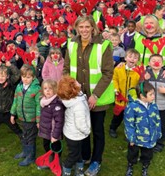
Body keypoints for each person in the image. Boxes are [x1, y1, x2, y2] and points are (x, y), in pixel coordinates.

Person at [64, 16, 114, 176]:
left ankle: (96, 161)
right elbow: (66, 68)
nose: (84, 30)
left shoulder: (103, 45)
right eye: (81, 27)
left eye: (87, 27)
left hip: (97, 98)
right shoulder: (71, 44)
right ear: (77, 28)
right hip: (77, 98)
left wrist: (95, 95)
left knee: (97, 130)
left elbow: (108, 73)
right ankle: (84, 156)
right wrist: (72, 87)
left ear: (93, 28)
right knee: (81, 128)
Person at [124, 81, 161, 176]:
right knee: (132, 154)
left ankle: (145, 167)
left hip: (150, 138)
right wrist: (131, 138)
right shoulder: (132, 107)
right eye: (151, 94)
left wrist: (158, 132)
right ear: (142, 96)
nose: (153, 96)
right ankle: (130, 165)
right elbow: (129, 123)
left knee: (147, 155)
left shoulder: (153, 106)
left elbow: (157, 120)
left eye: (153, 94)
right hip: (136, 139)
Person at [57, 76, 91, 176]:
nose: (78, 82)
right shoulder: (78, 105)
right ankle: (66, 168)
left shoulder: (76, 97)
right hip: (75, 134)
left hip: (72, 133)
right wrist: (87, 131)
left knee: (78, 152)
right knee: (74, 154)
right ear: (73, 89)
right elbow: (80, 124)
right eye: (75, 83)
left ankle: (79, 169)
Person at [10, 65, 41, 166]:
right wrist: (12, 114)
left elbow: (38, 106)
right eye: (23, 77)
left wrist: (38, 120)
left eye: (28, 77)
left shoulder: (36, 89)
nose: (25, 79)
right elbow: (15, 100)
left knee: (30, 138)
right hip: (22, 117)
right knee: (24, 136)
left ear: (33, 77)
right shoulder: (19, 87)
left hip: (31, 119)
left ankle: (31, 157)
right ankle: (25, 152)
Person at [109, 48, 141, 139]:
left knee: (131, 118)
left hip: (132, 101)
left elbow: (140, 84)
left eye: (135, 58)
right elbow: (114, 79)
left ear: (137, 60)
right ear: (125, 58)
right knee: (117, 116)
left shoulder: (138, 72)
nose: (132, 59)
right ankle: (113, 128)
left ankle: (129, 133)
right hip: (120, 98)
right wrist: (116, 89)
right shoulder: (119, 69)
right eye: (130, 57)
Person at [38, 79, 64, 160]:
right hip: (45, 130)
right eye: (45, 89)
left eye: (50, 88)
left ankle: (56, 160)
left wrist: (55, 136)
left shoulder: (56, 105)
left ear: (55, 90)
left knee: (56, 147)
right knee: (46, 145)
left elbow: (59, 122)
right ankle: (49, 158)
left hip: (53, 132)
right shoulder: (44, 101)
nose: (48, 91)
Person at [144, 54, 165, 153]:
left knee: (161, 125)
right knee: (149, 123)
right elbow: (140, 88)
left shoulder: (164, 74)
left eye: (159, 61)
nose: (156, 63)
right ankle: (149, 139)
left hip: (162, 106)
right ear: (149, 63)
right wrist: (145, 80)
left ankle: (160, 143)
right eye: (153, 61)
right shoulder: (146, 73)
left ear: (162, 64)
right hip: (149, 106)